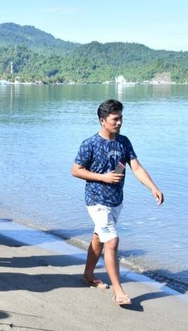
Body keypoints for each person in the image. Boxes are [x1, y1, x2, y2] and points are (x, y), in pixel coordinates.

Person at [71, 99, 164, 306]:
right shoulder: (90, 144)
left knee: (99, 236)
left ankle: (88, 274)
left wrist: (153, 187)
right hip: (96, 200)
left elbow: (136, 168)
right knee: (112, 241)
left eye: (121, 118)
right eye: (115, 119)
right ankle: (118, 291)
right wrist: (103, 178)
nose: (119, 122)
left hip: (116, 201)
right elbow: (76, 170)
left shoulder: (124, 142)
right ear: (103, 121)